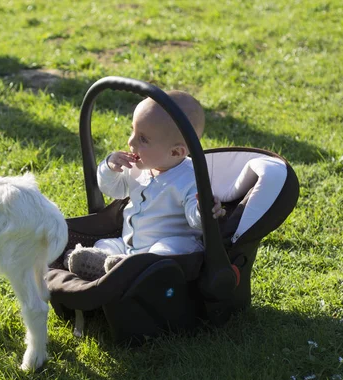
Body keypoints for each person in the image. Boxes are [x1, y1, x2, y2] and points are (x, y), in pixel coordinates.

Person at [65, 90, 225, 280]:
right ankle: (107, 264)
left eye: (143, 139)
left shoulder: (190, 177)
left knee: (167, 250)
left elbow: (196, 221)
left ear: (176, 152)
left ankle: (130, 268)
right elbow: (113, 190)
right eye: (132, 130)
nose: (130, 141)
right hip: (129, 245)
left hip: (174, 246)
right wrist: (109, 168)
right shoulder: (138, 167)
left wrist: (202, 209)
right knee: (104, 244)